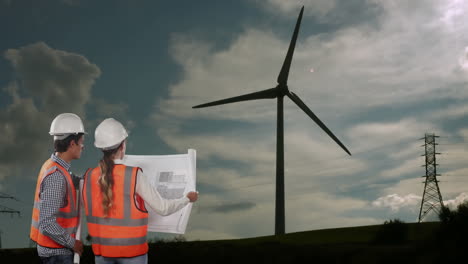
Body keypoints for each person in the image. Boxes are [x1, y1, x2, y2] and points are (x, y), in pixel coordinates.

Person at [83, 118, 198, 264]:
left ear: (100, 148)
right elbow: (163, 208)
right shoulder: (134, 175)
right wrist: (187, 198)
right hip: (133, 255)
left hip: (101, 255)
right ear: (123, 145)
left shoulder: (88, 177)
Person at [30, 113, 85, 263]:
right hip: (57, 253)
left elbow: (70, 180)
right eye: (81, 142)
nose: (83, 146)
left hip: (54, 251)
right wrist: (72, 243)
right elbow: (47, 222)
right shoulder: (56, 176)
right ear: (72, 144)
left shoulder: (56, 166)